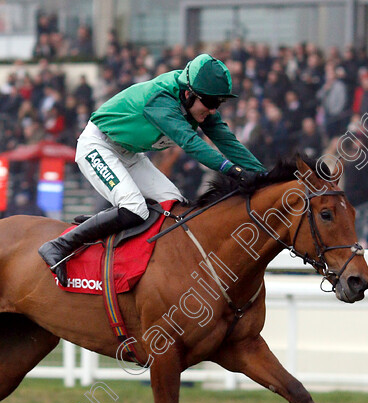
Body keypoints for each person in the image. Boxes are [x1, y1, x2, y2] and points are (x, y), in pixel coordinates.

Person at [38, 53, 265, 284]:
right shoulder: (162, 100)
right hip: (96, 146)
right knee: (135, 207)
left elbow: (228, 141)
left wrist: (263, 174)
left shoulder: (197, 100)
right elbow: (191, 143)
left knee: (175, 207)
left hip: (130, 153)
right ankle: (60, 245)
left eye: (219, 103)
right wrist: (233, 171)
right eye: (211, 103)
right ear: (188, 94)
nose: (214, 110)